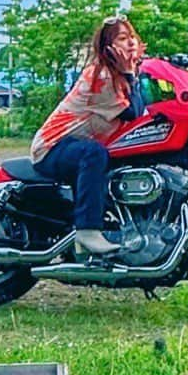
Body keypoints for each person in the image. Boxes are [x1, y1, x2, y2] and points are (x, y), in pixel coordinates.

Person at [31, 15, 147, 257]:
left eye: (132, 37)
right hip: (53, 147)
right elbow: (133, 112)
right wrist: (130, 72)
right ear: (108, 47)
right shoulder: (101, 76)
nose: (131, 43)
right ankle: (87, 231)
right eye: (123, 39)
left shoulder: (121, 77)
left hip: (75, 145)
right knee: (94, 154)